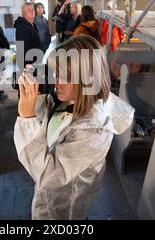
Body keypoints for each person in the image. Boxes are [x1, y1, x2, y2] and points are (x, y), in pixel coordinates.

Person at [14, 35, 135, 219]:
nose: (56, 82)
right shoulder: (67, 98)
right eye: (55, 73)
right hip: (45, 194)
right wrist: (36, 93)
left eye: (65, 76)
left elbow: (49, 176)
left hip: (62, 209)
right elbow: (45, 122)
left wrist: (26, 117)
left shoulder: (94, 130)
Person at [15, 2, 42, 68]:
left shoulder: (33, 25)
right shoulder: (22, 27)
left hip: (36, 62)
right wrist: (26, 65)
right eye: (29, 10)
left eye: (33, 9)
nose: (32, 11)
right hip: (29, 65)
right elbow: (22, 49)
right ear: (23, 13)